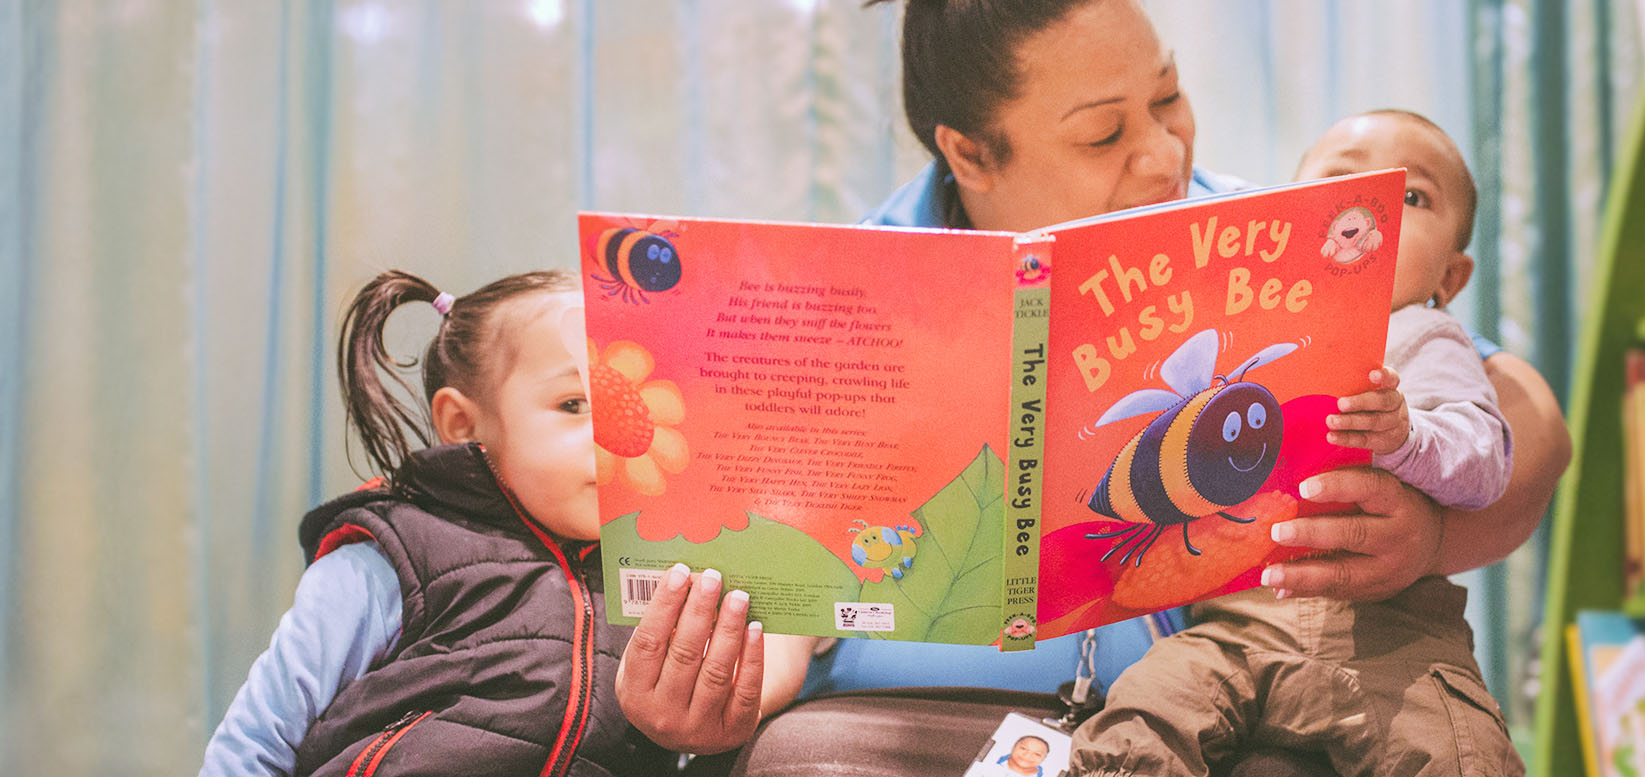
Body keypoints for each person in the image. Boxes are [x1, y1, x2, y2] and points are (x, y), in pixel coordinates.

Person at [621, 0, 1572, 772]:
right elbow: (779, 578)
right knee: (798, 759)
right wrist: (708, 692)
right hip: (911, 722)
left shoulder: (1267, 237)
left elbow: (1521, 406)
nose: (1163, 153)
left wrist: (1432, 534)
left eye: (1168, 96)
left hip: (1211, 715)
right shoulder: (842, 298)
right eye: (1104, 133)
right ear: (970, 154)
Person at [198, 270, 814, 776]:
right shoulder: (395, 551)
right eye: (575, 405)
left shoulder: (675, 569)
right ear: (465, 426)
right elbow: (258, 738)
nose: (622, 438)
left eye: (636, 406)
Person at [1068, 109, 1527, 777]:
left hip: (1395, 639)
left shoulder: (1428, 339)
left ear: (1450, 279)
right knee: (1144, 714)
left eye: (1411, 196)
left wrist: (1408, 436)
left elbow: (1486, 461)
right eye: (1339, 184)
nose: (1368, 211)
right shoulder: (1246, 328)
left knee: (1465, 750)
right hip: (1236, 629)